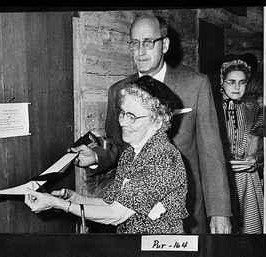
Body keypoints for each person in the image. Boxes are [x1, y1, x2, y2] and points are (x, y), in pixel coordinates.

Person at [71, 15, 232, 234]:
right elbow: (119, 146)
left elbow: (211, 153)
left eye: (148, 42)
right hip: (133, 216)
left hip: (184, 211)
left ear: (164, 44)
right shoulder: (118, 91)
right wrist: (97, 156)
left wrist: (219, 212)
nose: (140, 52)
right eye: (134, 44)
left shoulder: (196, 85)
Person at [25, 76, 189, 234]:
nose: (123, 122)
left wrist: (60, 204)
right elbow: (109, 202)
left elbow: (116, 214)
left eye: (132, 117)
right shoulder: (130, 154)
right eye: (123, 113)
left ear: (157, 121)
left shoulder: (163, 158)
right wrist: (74, 199)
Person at [216, 53, 264, 234]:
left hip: (246, 179)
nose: (237, 87)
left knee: (249, 236)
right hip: (221, 180)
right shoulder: (213, 108)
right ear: (222, 81)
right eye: (231, 81)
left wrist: (255, 159)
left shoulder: (252, 108)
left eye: (242, 82)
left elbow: (262, 143)